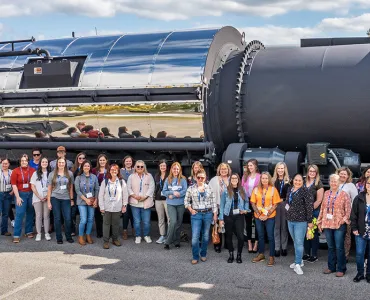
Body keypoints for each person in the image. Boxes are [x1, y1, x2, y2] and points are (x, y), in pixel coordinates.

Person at [317, 174, 351, 277]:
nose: (333, 183)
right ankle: (331, 267)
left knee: (339, 247)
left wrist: (344, 220)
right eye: (331, 181)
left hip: (339, 224)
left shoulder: (344, 194)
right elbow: (323, 208)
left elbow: (348, 209)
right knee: (331, 247)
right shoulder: (327, 193)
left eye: (335, 181)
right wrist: (319, 221)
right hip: (327, 223)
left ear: (339, 182)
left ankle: (341, 268)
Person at [184, 169, 217, 264]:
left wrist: (215, 214)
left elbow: (213, 202)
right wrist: (190, 209)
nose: (200, 179)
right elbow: (186, 201)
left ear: (205, 177)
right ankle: (195, 256)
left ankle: (203, 254)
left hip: (208, 213)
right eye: (198, 177)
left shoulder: (209, 188)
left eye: (202, 177)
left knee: (206, 236)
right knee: (195, 237)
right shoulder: (191, 188)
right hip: (196, 214)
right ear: (195, 177)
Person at [250, 171, 282, 266]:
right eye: (262, 178)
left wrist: (267, 215)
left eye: (266, 178)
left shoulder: (273, 189)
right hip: (258, 216)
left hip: (270, 217)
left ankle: (271, 257)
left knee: (270, 237)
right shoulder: (256, 189)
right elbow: (253, 203)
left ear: (269, 179)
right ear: (260, 179)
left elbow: (275, 204)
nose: (264, 180)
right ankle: (261, 254)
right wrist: (259, 215)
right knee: (260, 236)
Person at [219, 173, 250, 264]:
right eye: (232, 178)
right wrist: (221, 219)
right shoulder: (226, 190)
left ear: (238, 180)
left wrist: (245, 210)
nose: (234, 180)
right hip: (228, 215)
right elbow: (221, 205)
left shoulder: (242, 189)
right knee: (228, 236)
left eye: (235, 178)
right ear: (230, 180)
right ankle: (231, 254)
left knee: (240, 237)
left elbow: (247, 201)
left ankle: (239, 255)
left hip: (239, 216)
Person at [286, 174, 314, 275]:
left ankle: (297, 264)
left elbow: (309, 207)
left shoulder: (305, 191)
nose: (297, 182)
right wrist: (287, 213)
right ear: (293, 180)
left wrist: (309, 221)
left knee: (299, 242)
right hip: (290, 220)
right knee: (295, 241)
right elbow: (287, 202)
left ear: (303, 181)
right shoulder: (290, 189)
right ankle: (300, 260)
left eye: (300, 181)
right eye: (296, 180)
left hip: (301, 221)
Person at [99, 164, 128, 249]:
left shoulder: (122, 182)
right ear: (109, 171)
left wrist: (124, 205)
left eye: (115, 170)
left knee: (116, 224)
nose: (114, 171)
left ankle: (115, 239)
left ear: (118, 171)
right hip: (107, 207)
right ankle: (106, 241)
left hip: (117, 207)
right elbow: (100, 195)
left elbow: (125, 194)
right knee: (106, 224)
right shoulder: (105, 182)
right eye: (112, 170)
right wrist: (102, 207)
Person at [47, 157, 75, 244]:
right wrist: (48, 202)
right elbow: (49, 189)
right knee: (57, 218)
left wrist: (71, 199)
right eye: (60, 162)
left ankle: (68, 236)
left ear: (65, 164)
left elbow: (71, 188)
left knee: (67, 218)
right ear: (57, 164)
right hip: (55, 198)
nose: (61, 164)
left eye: (63, 163)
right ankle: (59, 237)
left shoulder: (70, 174)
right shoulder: (52, 174)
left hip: (66, 198)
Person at [127, 160, 155, 244]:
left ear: (144, 167)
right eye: (138, 166)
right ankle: (138, 236)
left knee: (146, 221)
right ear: (135, 167)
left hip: (146, 202)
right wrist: (134, 196)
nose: (140, 168)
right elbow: (128, 188)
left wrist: (145, 197)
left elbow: (152, 187)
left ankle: (146, 235)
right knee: (137, 221)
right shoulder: (131, 176)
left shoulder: (149, 176)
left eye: (141, 166)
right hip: (135, 202)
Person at [162, 162, 188, 250]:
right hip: (171, 204)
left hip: (180, 204)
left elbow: (185, 191)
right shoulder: (168, 179)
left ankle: (177, 241)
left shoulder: (183, 180)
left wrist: (175, 195)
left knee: (179, 223)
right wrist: (172, 193)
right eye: (174, 168)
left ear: (179, 169)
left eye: (177, 169)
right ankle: (167, 241)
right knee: (172, 222)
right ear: (171, 170)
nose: (176, 170)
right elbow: (164, 191)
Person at [11, 154, 36, 243]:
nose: (24, 162)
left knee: (30, 212)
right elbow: (14, 185)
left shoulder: (33, 170)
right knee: (20, 214)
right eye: (22, 161)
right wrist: (17, 197)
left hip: (31, 194)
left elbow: (35, 183)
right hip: (20, 194)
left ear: (28, 161)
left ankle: (28, 231)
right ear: (20, 162)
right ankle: (16, 234)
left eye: (25, 160)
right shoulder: (15, 171)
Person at [75, 160, 99, 246]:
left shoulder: (94, 177)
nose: (86, 167)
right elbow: (77, 190)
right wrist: (86, 199)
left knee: (90, 219)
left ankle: (88, 234)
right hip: (82, 201)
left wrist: (95, 200)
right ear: (82, 167)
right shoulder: (78, 177)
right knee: (83, 219)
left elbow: (96, 189)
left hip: (92, 201)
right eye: (85, 166)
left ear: (90, 167)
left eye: (88, 166)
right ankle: (81, 236)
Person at [208, 163, 232, 253]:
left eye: (225, 169)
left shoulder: (231, 179)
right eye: (222, 169)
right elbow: (210, 194)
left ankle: (227, 243)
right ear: (219, 170)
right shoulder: (214, 180)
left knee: (228, 225)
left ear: (228, 170)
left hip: (228, 207)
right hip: (217, 206)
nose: (224, 170)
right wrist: (214, 210)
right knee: (218, 225)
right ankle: (217, 244)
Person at [303, 164, 324, 263]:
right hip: (302, 212)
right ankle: (306, 253)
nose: (311, 173)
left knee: (313, 233)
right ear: (308, 172)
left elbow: (319, 200)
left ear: (316, 173)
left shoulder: (318, 184)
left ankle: (314, 254)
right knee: (305, 232)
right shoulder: (303, 182)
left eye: (313, 171)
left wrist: (309, 210)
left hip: (314, 211)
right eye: (310, 171)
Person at [336, 167, 358, 260]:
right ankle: (337, 255)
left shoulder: (350, 186)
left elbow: (355, 200)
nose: (342, 175)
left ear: (348, 176)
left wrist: (349, 215)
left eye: (345, 174)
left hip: (346, 215)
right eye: (341, 173)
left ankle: (345, 255)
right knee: (336, 236)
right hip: (335, 215)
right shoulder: (334, 183)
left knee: (346, 235)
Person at [351, 177, 370, 283]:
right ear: (365, 184)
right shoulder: (359, 198)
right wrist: (354, 228)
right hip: (361, 231)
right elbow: (353, 214)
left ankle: (369, 274)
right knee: (359, 253)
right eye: (368, 183)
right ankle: (359, 273)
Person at [242, 159, 261, 253]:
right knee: (248, 223)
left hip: (257, 203)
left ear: (255, 166)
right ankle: (249, 243)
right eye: (248, 166)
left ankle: (256, 243)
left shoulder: (260, 177)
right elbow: (241, 190)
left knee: (257, 223)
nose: (249, 167)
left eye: (251, 165)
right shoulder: (245, 177)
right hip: (247, 202)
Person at [30, 156, 51, 241]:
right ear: (40, 163)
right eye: (43, 162)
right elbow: (32, 186)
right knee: (38, 216)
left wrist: (46, 196)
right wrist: (39, 196)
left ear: (48, 163)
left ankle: (46, 233)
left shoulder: (51, 173)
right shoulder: (35, 173)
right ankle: (38, 233)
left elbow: (52, 186)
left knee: (46, 216)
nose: (44, 163)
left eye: (46, 162)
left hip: (47, 197)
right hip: (37, 198)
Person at [272, 162, 290, 257]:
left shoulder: (288, 181)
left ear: (285, 169)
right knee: (276, 227)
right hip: (275, 204)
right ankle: (277, 248)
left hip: (284, 204)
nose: (280, 170)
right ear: (276, 169)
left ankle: (284, 247)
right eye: (278, 168)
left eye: (282, 168)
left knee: (284, 227)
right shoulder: (272, 181)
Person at [92, 154, 110, 238]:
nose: (102, 162)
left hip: (107, 194)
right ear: (98, 161)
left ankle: (108, 232)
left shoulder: (110, 170)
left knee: (107, 213)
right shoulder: (94, 170)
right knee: (98, 214)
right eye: (100, 160)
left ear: (106, 161)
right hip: (97, 193)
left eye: (103, 160)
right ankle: (99, 232)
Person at [154, 159, 169, 244]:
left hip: (167, 199)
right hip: (158, 199)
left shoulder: (169, 175)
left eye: (164, 166)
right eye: (161, 166)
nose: (163, 167)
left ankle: (169, 236)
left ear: (166, 167)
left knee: (170, 218)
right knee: (161, 218)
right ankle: (162, 235)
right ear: (159, 167)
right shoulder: (156, 175)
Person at [120, 155, 135, 239]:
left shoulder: (135, 170)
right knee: (125, 214)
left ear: (132, 162)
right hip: (124, 196)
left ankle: (134, 230)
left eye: (130, 161)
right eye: (127, 161)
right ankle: (125, 231)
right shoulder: (121, 171)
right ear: (124, 162)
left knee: (133, 214)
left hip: (133, 196)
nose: (128, 162)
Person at [0, 158, 13, 236]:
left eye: (6, 163)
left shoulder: (12, 172)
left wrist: (12, 192)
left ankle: (4, 231)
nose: (4, 165)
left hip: (8, 194)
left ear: (9, 164)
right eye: (3, 163)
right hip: (0, 193)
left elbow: (15, 183)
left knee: (5, 213)